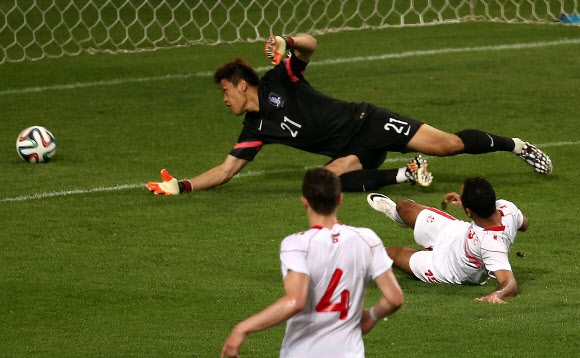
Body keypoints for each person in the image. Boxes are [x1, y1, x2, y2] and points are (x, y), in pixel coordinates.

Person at [147, 34, 552, 195]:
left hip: (368, 121)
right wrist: (180, 186)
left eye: (224, 91)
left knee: (449, 146)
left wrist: (287, 41)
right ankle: (405, 174)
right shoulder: (255, 127)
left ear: (241, 84)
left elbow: (310, 46)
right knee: (322, 183)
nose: (224, 100)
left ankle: (515, 145)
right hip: (352, 150)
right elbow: (224, 171)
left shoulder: (279, 80)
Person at [220, 168, 404, 358]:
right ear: (339, 199)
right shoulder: (367, 238)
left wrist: (242, 328)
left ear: (305, 201)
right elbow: (394, 298)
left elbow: (296, 301)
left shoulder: (297, 244)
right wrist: (372, 314)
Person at [366, 177, 529, 304]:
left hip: (443, 267)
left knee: (388, 253)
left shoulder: (491, 245)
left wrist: (495, 294)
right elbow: (524, 224)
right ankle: (399, 217)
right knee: (403, 206)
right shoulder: (507, 208)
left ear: (469, 212)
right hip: (454, 233)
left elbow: (510, 284)